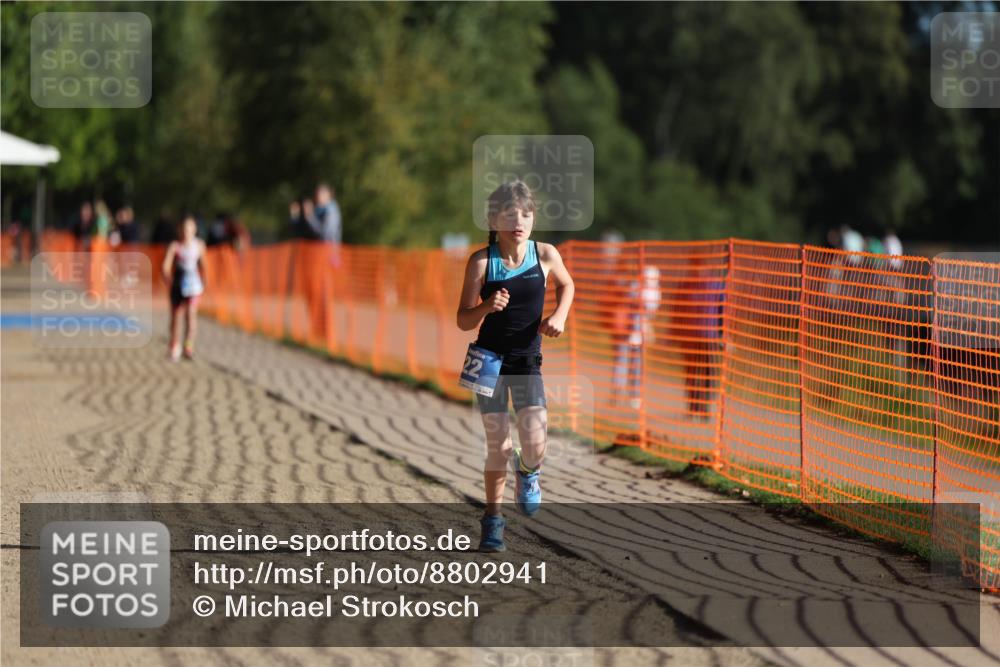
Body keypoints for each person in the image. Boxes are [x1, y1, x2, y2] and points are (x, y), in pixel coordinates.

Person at [456, 180, 574, 553]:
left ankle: (530, 470)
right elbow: (462, 319)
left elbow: (567, 285)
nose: (518, 221)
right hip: (488, 362)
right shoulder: (481, 261)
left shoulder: (545, 254)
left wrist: (560, 315)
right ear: (493, 219)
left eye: (525, 214)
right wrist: (485, 307)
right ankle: (493, 522)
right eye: (509, 215)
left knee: (535, 443)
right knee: (499, 447)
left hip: (526, 362)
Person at [161, 214, 206, 362]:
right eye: (184, 228)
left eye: (189, 228)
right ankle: (174, 345)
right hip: (178, 285)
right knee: (176, 317)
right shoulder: (175, 246)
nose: (186, 231)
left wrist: (204, 281)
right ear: (179, 230)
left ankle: (188, 345)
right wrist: (168, 278)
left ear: (194, 229)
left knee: (191, 315)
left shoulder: (199, 246)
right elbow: (165, 267)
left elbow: (204, 266)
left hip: (193, 286)